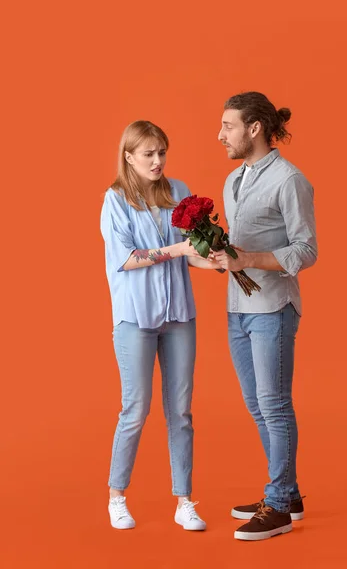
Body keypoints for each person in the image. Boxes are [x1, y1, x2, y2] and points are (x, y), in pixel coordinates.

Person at [100, 120, 219, 531]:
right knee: (135, 409)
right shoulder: (114, 201)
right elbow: (128, 258)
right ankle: (117, 497)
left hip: (180, 316)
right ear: (129, 157)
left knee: (181, 412)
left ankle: (184, 501)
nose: (157, 161)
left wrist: (218, 262)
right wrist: (177, 249)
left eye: (162, 153)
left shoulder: (179, 192)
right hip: (135, 319)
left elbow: (191, 253)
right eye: (148, 154)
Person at [214, 92, 318, 541]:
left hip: (274, 308)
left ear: (254, 128)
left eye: (228, 126)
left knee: (274, 405)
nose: (221, 135)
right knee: (257, 405)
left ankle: (277, 505)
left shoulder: (290, 180)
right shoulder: (233, 179)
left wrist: (248, 258)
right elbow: (235, 250)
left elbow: (306, 249)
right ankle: (288, 493)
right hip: (238, 308)